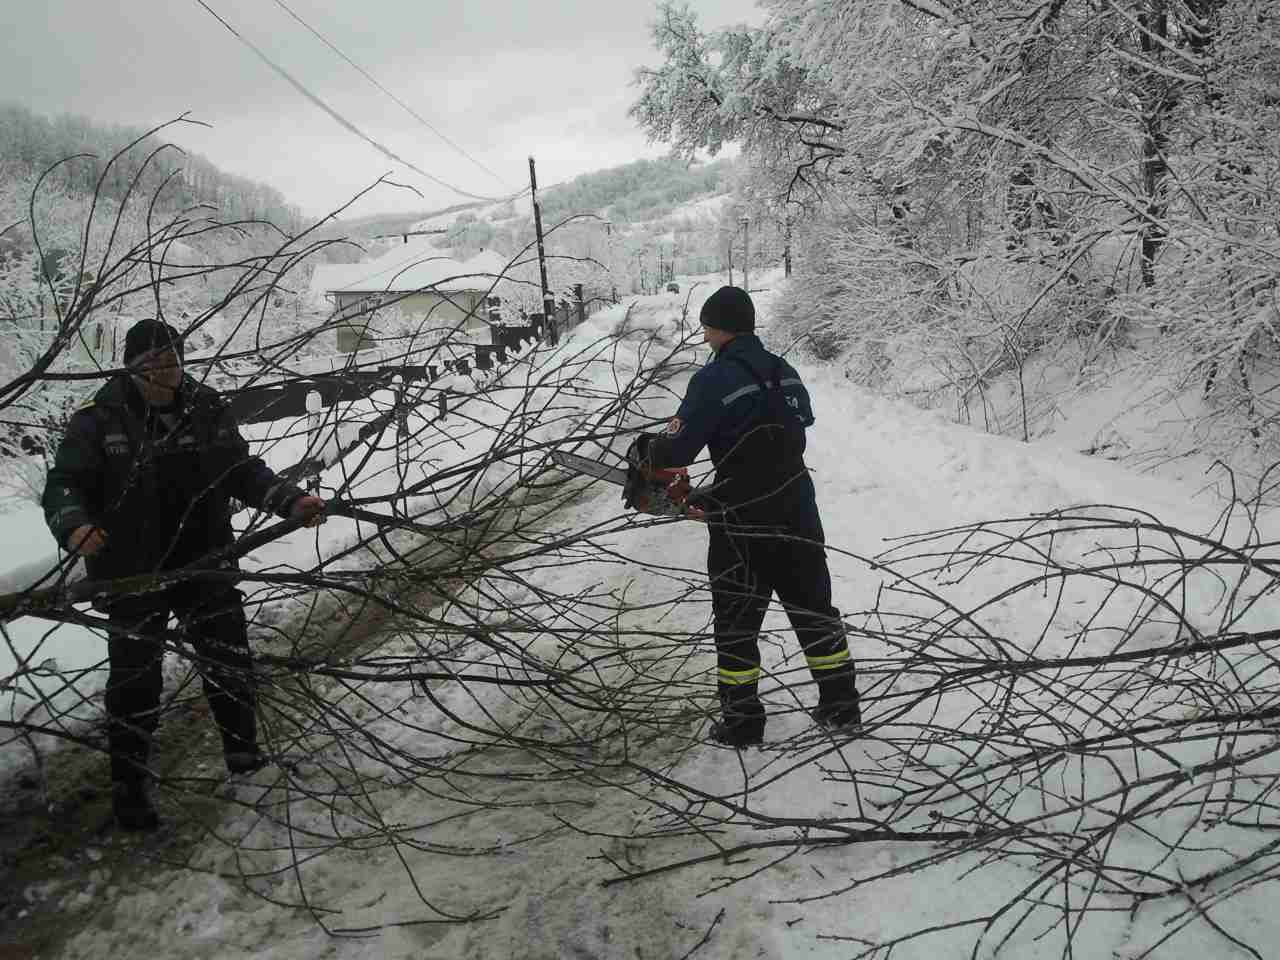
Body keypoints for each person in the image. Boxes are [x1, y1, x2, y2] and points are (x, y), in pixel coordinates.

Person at [41, 319, 326, 829]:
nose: (164, 372)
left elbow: (240, 470)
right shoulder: (99, 418)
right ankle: (129, 791)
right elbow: (64, 483)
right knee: (135, 684)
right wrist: (75, 526)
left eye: (172, 360)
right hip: (132, 573)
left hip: (205, 561)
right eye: (152, 364)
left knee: (230, 660)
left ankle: (244, 757)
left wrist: (290, 500)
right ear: (130, 367)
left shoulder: (205, 407)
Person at [632, 286, 859, 747]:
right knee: (815, 611)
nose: (705, 335)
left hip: (742, 517)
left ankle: (742, 721)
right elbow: (799, 421)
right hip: (797, 507)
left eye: (707, 327)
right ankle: (840, 706)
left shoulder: (714, 378)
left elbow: (677, 447)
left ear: (718, 328)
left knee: (737, 622)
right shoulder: (784, 371)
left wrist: (648, 453)